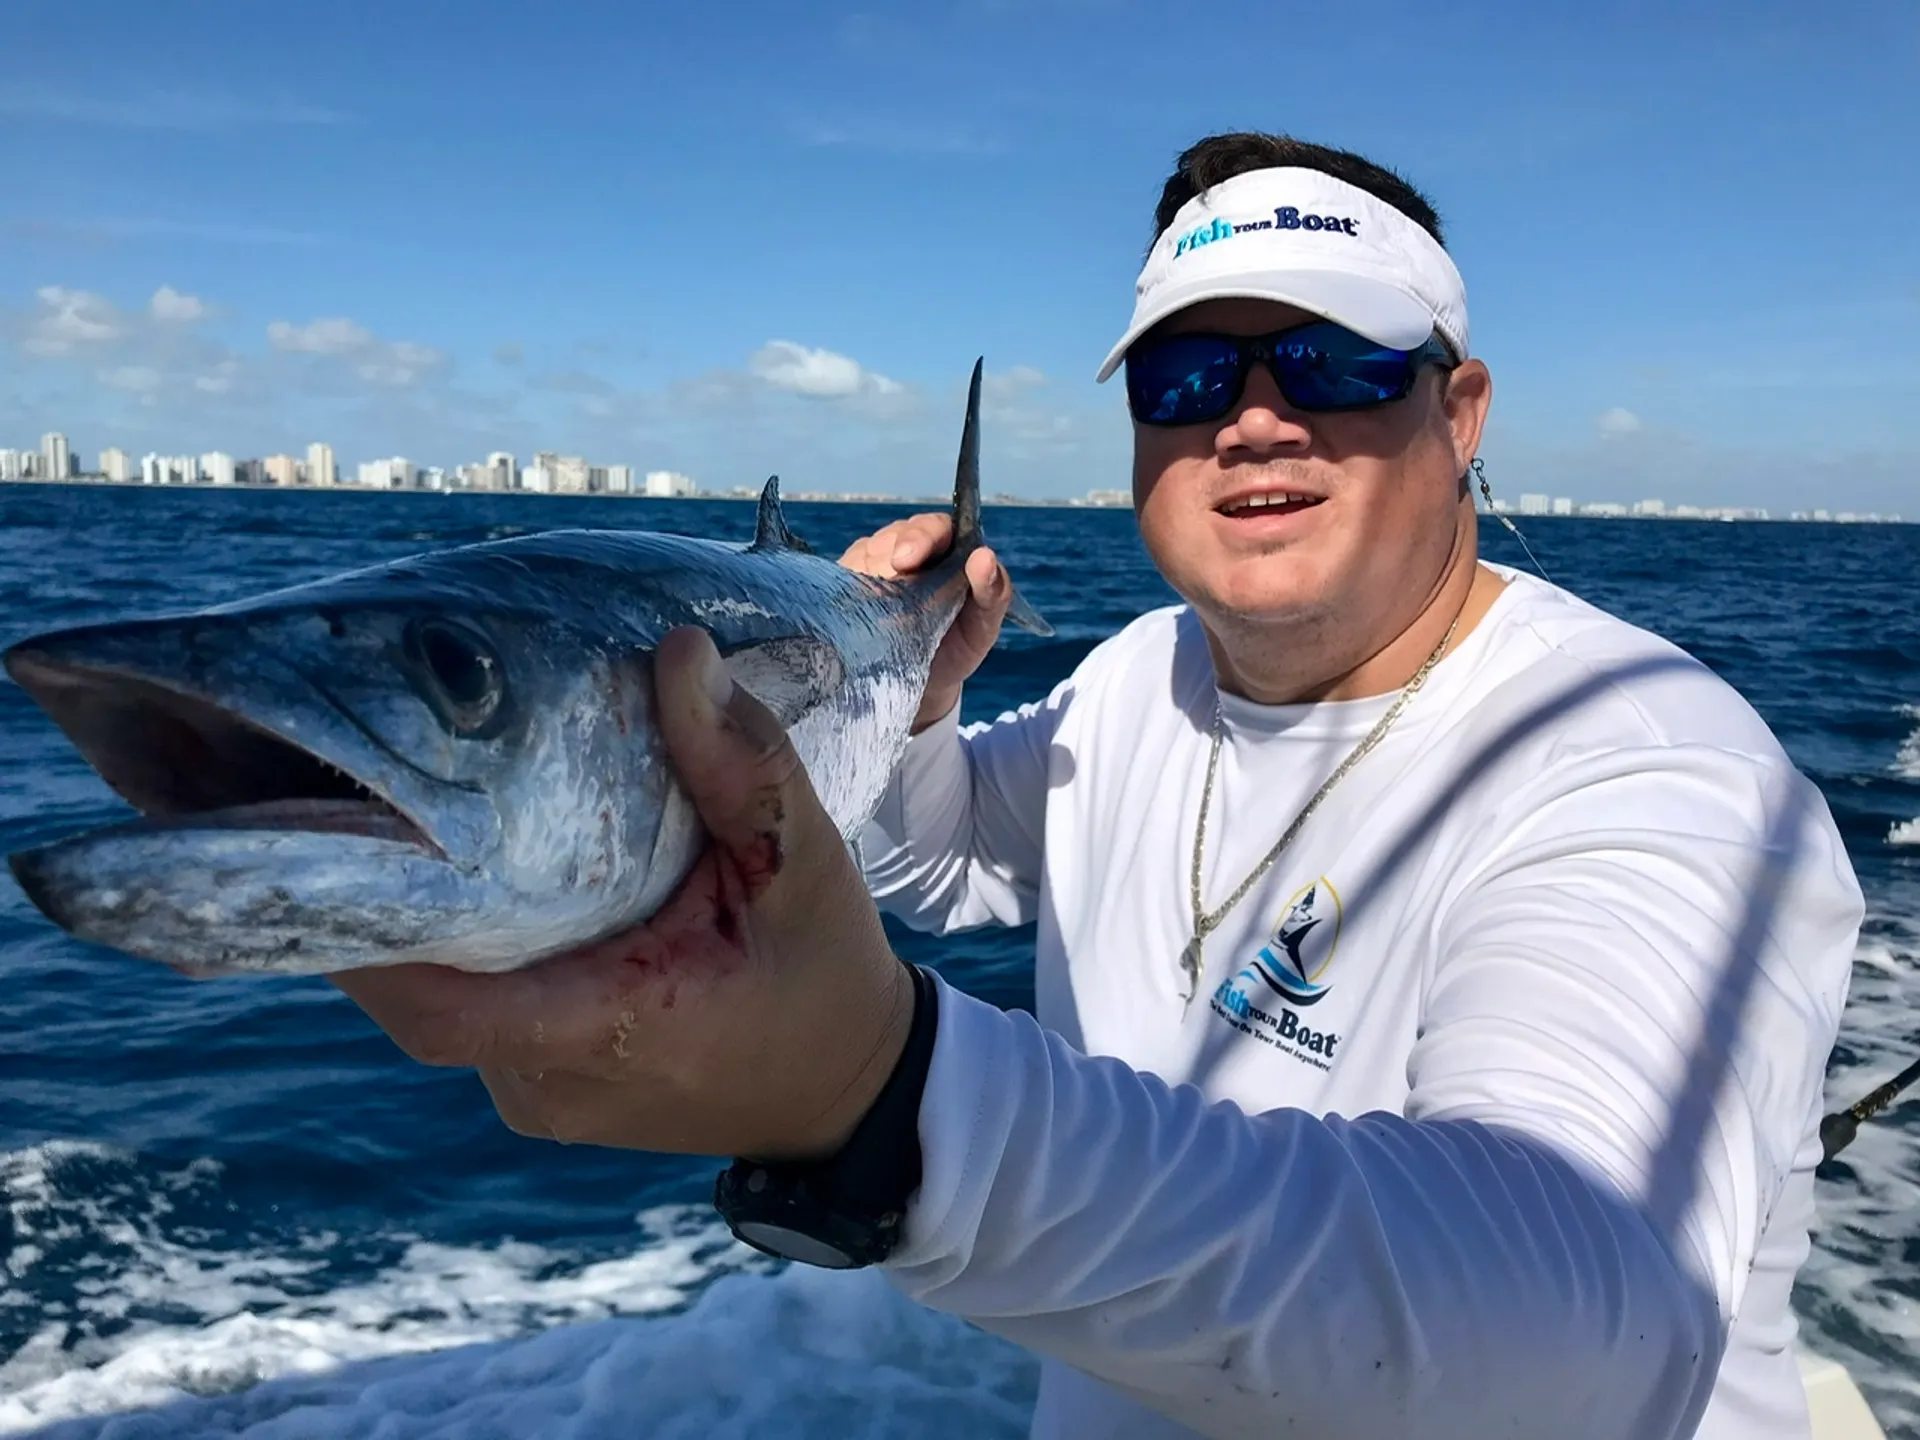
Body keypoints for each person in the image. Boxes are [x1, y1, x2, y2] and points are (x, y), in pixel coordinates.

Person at [333, 132, 1865, 1439]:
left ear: (1460, 412)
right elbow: (939, 863)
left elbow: (1583, 1346)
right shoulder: (1144, 677)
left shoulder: (1650, 764)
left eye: (1333, 361)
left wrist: (880, 1103)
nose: (1255, 417)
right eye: (1192, 375)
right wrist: (911, 716)